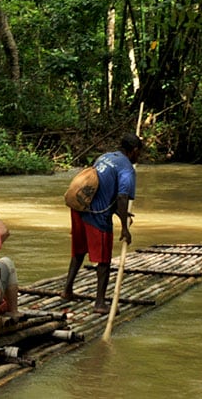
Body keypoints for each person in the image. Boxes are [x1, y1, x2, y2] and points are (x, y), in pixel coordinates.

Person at [62, 134, 142, 314]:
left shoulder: (105, 157)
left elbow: (103, 189)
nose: (140, 157)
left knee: (79, 251)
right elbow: (121, 197)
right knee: (104, 261)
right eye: (139, 153)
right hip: (97, 216)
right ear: (134, 151)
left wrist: (119, 212)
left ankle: (67, 290)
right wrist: (124, 227)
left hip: (80, 209)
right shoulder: (127, 169)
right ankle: (100, 303)